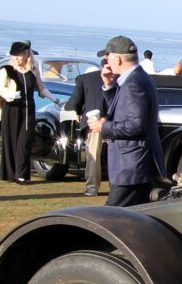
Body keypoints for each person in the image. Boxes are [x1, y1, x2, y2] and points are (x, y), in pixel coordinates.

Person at [87, 35, 166, 206]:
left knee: (110, 218)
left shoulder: (133, 84)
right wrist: (108, 86)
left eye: (107, 57)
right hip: (134, 166)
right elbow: (122, 111)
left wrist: (103, 126)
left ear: (117, 59)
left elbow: (136, 125)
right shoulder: (137, 79)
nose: (106, 62)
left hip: (131, 168)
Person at [0, 40, 58, 183]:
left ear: (26, 54)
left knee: (24, 142)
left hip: (28, 111)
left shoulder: (33, 70)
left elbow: (41, 88)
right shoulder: (7, 70)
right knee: (11, 141)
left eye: (19, 55)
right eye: (14, 55)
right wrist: (9, 95)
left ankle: (21, 174)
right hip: (12, 109)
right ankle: (10, 174)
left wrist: (56, 100)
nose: (16, 58)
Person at [67, 58, 116, 196]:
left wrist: (77, 112)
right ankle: (115, 187)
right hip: (113, 121)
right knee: (113, 155)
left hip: (93, 121)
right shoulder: (119, 78)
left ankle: (92, 187)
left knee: (93, 155)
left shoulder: (84, 79)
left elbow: (76, 100)